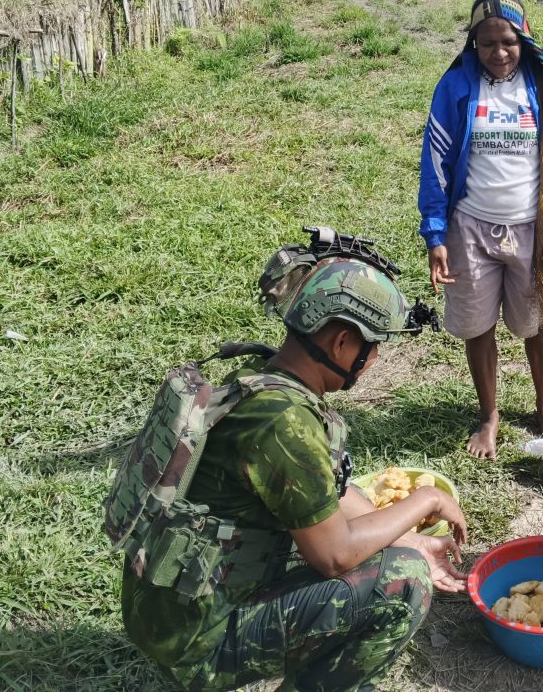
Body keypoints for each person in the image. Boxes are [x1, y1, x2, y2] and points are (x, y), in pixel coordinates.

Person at [114, 233, 468, 692]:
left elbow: (333, 496)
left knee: (404, 557)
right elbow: (335, 556)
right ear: (343, 342)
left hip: (167, 612)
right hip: (196, 642)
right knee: (402, 583)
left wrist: (409, 539)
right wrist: (426, 499)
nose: (376, 358)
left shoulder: (263, 380)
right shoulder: (284, 424)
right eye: (375, 345)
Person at [418, 0, 543, 459]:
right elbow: (435, 162)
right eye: (487, 43)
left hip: (531, 229)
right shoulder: (455, 86)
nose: (498, 52)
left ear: (524, 39)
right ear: (473, 42)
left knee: (536, 323)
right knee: (477, 327)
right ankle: (489, 416)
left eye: (508, 42)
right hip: (469, 226)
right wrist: (435, 234)